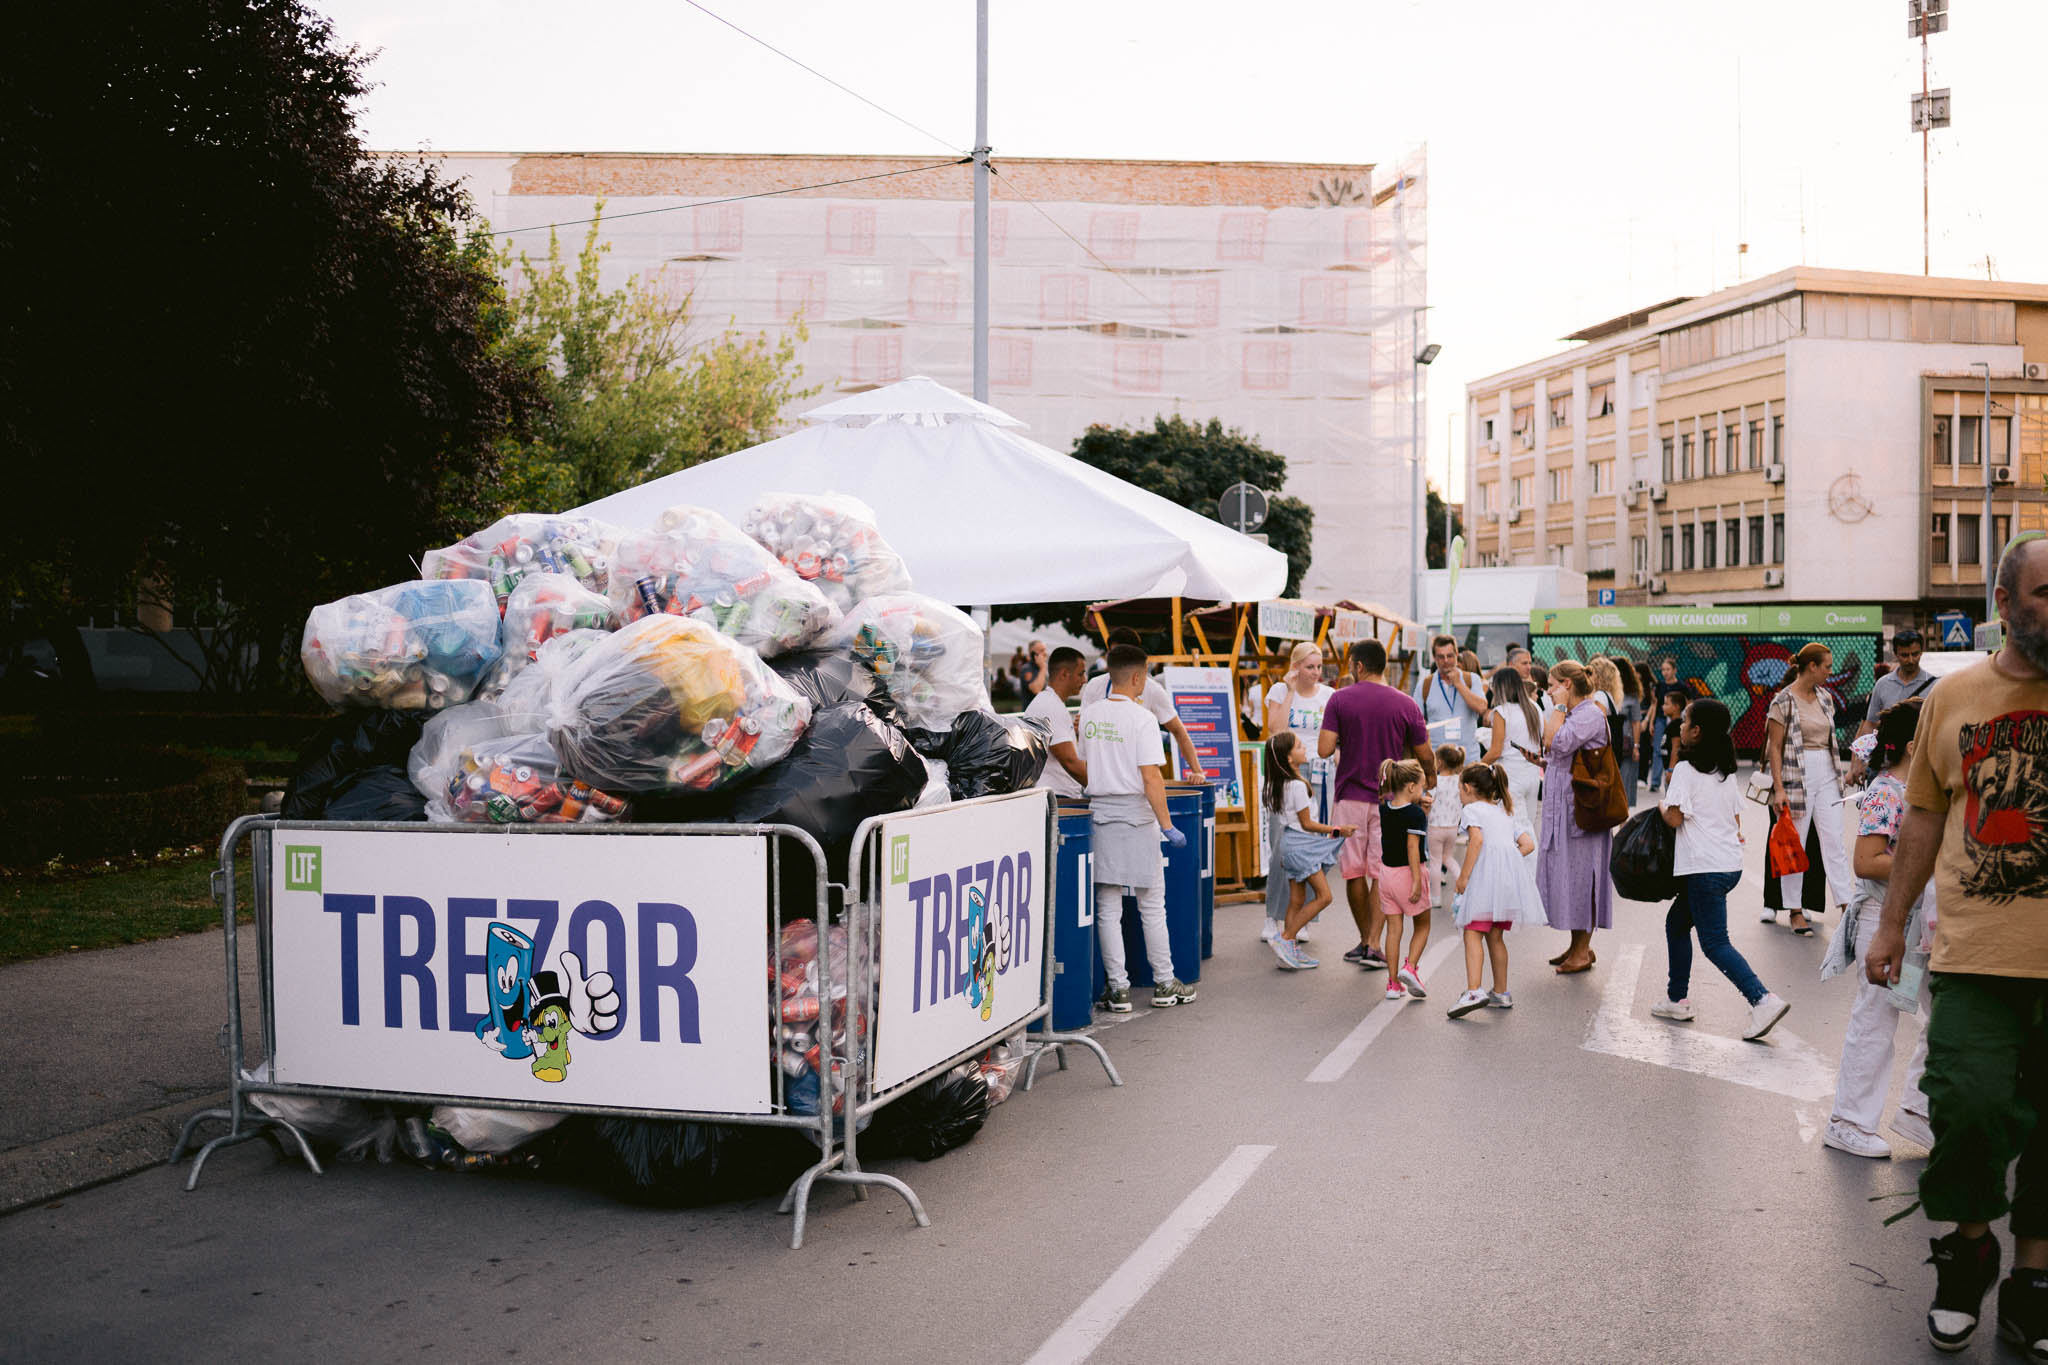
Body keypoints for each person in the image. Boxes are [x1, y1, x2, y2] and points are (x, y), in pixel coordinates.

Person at [1867, 531, 2048, 1358]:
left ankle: (2033, 1281)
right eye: (2046, 593)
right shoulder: (1956, 697)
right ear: (2005, 605)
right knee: (1967, 1103)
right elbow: (1925, 815)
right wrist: (1894, 921)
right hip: (1977, 952)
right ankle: (1970, 1244)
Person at [1819, 698, 1934, 1160]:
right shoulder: (1887, 791)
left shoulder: (1927, 792)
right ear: (1914, 744)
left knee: (1944, 1015)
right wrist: (1930, 865)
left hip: (1919, 927)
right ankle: (1847, 1121)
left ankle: (1918, 1112)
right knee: (1876, 1020)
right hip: (1884, 922)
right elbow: (1866, 861)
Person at [1652, 697, 1791, 1040]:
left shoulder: (1685, 770)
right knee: (1677, 923)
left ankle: (1762, 999)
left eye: (1684, 722)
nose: (1681, 727)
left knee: (1715, 942)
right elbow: (1735, 816)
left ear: (1696, 732)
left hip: (1704, 868)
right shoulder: (1723, 772)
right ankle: (1676, 998)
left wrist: (1660, 805)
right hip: (1728, 865)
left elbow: (1674, 818)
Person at [1080, 643, 1197, 1012]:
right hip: (1137, 815)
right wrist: (1167, 825)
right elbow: (1151, 777)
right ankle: (1164, 982)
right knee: (1151, 905)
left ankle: (1118, 989)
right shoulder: (1143, 719)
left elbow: (1087, 762)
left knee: (1107, 906)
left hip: (1099, 813)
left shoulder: (1088, 715)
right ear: (1138, 677)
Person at [1318, 639, 1435, 972]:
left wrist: (1345, 735)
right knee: (1382, 871)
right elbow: (1425, 753)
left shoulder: (1340, 699)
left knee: (1353, 872)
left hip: (1350, 797)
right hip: (1392, 800)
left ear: (1358, 666)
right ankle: (1372, 943)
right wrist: (1431, 784)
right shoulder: (1406, 703)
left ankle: (1366, 942)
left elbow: (1325, 749)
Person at [1765, 642, 1851, 934]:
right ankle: (1795, 909)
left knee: (1835, 842)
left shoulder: (1825, 697)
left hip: (1827, 771)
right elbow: (1774, 747)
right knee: (1795, 844)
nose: (1830, 671)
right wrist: (1779, 788)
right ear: (1811, 667)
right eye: (1826, 666)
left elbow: (1830, 740)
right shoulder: (1783, 701)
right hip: (1795, 775)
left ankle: (1846, 907)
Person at [1446, 762, 1543, 1018]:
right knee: (1496, 937)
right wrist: (1506, 860)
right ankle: (1501, 992)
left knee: (1472, 933)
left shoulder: (1472, 810)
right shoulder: (1505, 812)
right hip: (1506, 884)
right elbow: (1528, 845)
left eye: (1460, 788)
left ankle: (1474, 990)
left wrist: (1464, 877)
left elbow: (1476, 840)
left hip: (1485, 883)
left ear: (1467, 788)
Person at [1536, 659, 1615, 974]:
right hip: (1566, 810)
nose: (1551, 691)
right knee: (1569, 877)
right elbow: (1554, 751)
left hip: (1581, 812)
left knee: (1583, 878)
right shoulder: (1578, 714)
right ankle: (1577, 945)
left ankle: (1582, 951)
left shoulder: (1589, 714)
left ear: (1567, 685)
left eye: (1554, 684)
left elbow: (1554, 740)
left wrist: (1557, 708)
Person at [1262, 642, 1337, 941]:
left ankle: (1302, 917)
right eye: (1309, 666)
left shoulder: (1329, 696)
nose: (1316, 672)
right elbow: (1275, 731)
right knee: (1281, 846)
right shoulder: (1279, 691)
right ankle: (1272, 916)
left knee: (1309, 849)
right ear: (1296, 667)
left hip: (1319, 772)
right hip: (1285, 772)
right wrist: (1291, 691)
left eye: (1319, 666)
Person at [1264, 731, 1357, 971]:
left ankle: (1289, 949)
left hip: (1289, 844)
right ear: (1288, 758)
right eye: (1298, 746)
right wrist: (1338, 829)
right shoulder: (1295, 785)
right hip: (1301, 846)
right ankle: (1285, 939)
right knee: (1324, 896)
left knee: (1296, 900)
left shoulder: (1276, 784)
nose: (1304, 748)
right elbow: (1307, 824)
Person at [1078, 628, 1203, 780]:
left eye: (1122, 654)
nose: (1116, 660)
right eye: (1112, 653)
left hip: (1135, 783)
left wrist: (1197, 771)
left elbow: (1178, 731)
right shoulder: (1095, 685)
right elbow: (1083, 731)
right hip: (1102, 781)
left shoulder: (1151, 689)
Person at [1377, 758, 1433, 1000]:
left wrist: (1422, 809)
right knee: (1422, 924)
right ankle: (1410, 968)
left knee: (1393, 929)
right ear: (1411, 787)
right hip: (1407, 873)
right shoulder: (1415, 814)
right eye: (1421, 787)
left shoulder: (1384, 807)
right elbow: (1412, 846)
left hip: (1386, 875)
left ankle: (1392, 984)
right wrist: (1417, 879)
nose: (1422, 792)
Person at [1848, 629, 1933, 784]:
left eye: (1916, 654)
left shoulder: (1934, 685)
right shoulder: (1882, 685)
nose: (1911, 660)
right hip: (1884, 764)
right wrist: (1858, 762)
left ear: (1922, 652)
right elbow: (1870, 725)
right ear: (1895, 654)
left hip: (1919, 766)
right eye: (1905, 655)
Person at [1482, 666, 1544, 839]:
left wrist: (1477, 766)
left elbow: (1495, 751)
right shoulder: (1534, 708)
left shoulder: (1501, 712)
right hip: (1532, 776)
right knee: (1528, 831)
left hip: (1509, 777)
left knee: (1511, 833)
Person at [1026, 646, 1088, 801]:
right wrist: (1103, 790)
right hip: (1057, 797)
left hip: (1056, 796)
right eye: (1080, 674)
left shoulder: (1051, 703)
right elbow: (1070, 762)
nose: (1084, 679)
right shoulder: (1050, 706)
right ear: (1064, 674)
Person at [1413, 633, 1488, 754]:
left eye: (1450, 656)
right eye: (1441, 657)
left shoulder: (1472, 679)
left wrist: (1459, 684)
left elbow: (1482, 708)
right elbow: (1416, 723)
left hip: (1468, 758)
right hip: (1439, 761)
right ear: (1434, 658)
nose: (1446, 661)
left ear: (1457, 655)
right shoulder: (1425, 685)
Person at [1428, 744, 1466, 913]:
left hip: (1436, 826)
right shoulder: (1460, 782)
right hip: (1452, 828)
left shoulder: (1436, 782)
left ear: (1440, 762)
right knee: (1448, 858)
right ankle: (1463, 885)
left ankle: (1435, 898)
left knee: (1435, 861)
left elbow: (1429, 800)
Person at [1648, 657, 1692, 792]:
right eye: (1663, 670)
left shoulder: (1682, 687)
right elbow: (1655, 704)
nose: (1665, 672)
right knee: (1658, 748)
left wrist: (1687, 719)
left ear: (1674, 670)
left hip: (1677, 718)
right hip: (1661, 719)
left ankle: (1672, 773)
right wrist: (1651, 722)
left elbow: (1689, 703)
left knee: (1673, 745)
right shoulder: (1660, 686)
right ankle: (1655, 782)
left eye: (1668, 669)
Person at [1612, 655, 1644, 807]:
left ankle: (1624, 827)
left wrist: (1636, 746)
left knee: (1625, 785)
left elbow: (1636, 722)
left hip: (1626, 744)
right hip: (1609, 743)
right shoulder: (1606, 693)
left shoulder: (1631, 696)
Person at [1505, 645, 1555, 714]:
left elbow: (1540, 715)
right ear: (1511, 665)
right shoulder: (1499, 689)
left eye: (1530, 663)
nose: (1529, 667)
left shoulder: (1539, 692)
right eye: (1524, 663)